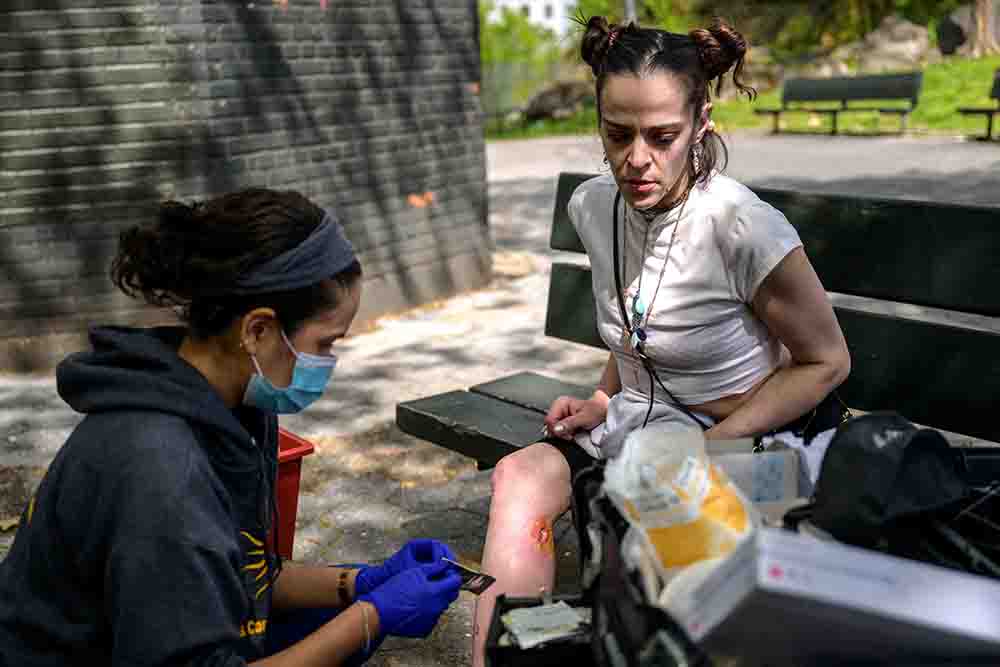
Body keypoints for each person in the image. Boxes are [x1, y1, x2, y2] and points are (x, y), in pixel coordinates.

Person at [472, 16, 851, 664]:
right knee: (519, 477)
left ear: (701, 122)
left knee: (664, 558)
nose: (636, 158)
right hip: (639, 428)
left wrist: (712, 444)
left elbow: (826, 362)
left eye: (661, 136)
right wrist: (600, 397)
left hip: (746, 443)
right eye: (617, 134)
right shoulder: (594, 207)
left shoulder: (742, 226)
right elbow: (637, 321)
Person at [0, 188, 462, 666]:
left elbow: (251, 575)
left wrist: (362, 583)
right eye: (324, 344)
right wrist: (370, 615)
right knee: (347, 630)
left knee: (334, 621)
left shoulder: (235, 407)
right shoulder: (162, 471)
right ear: (257, 331)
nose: (327, 363)